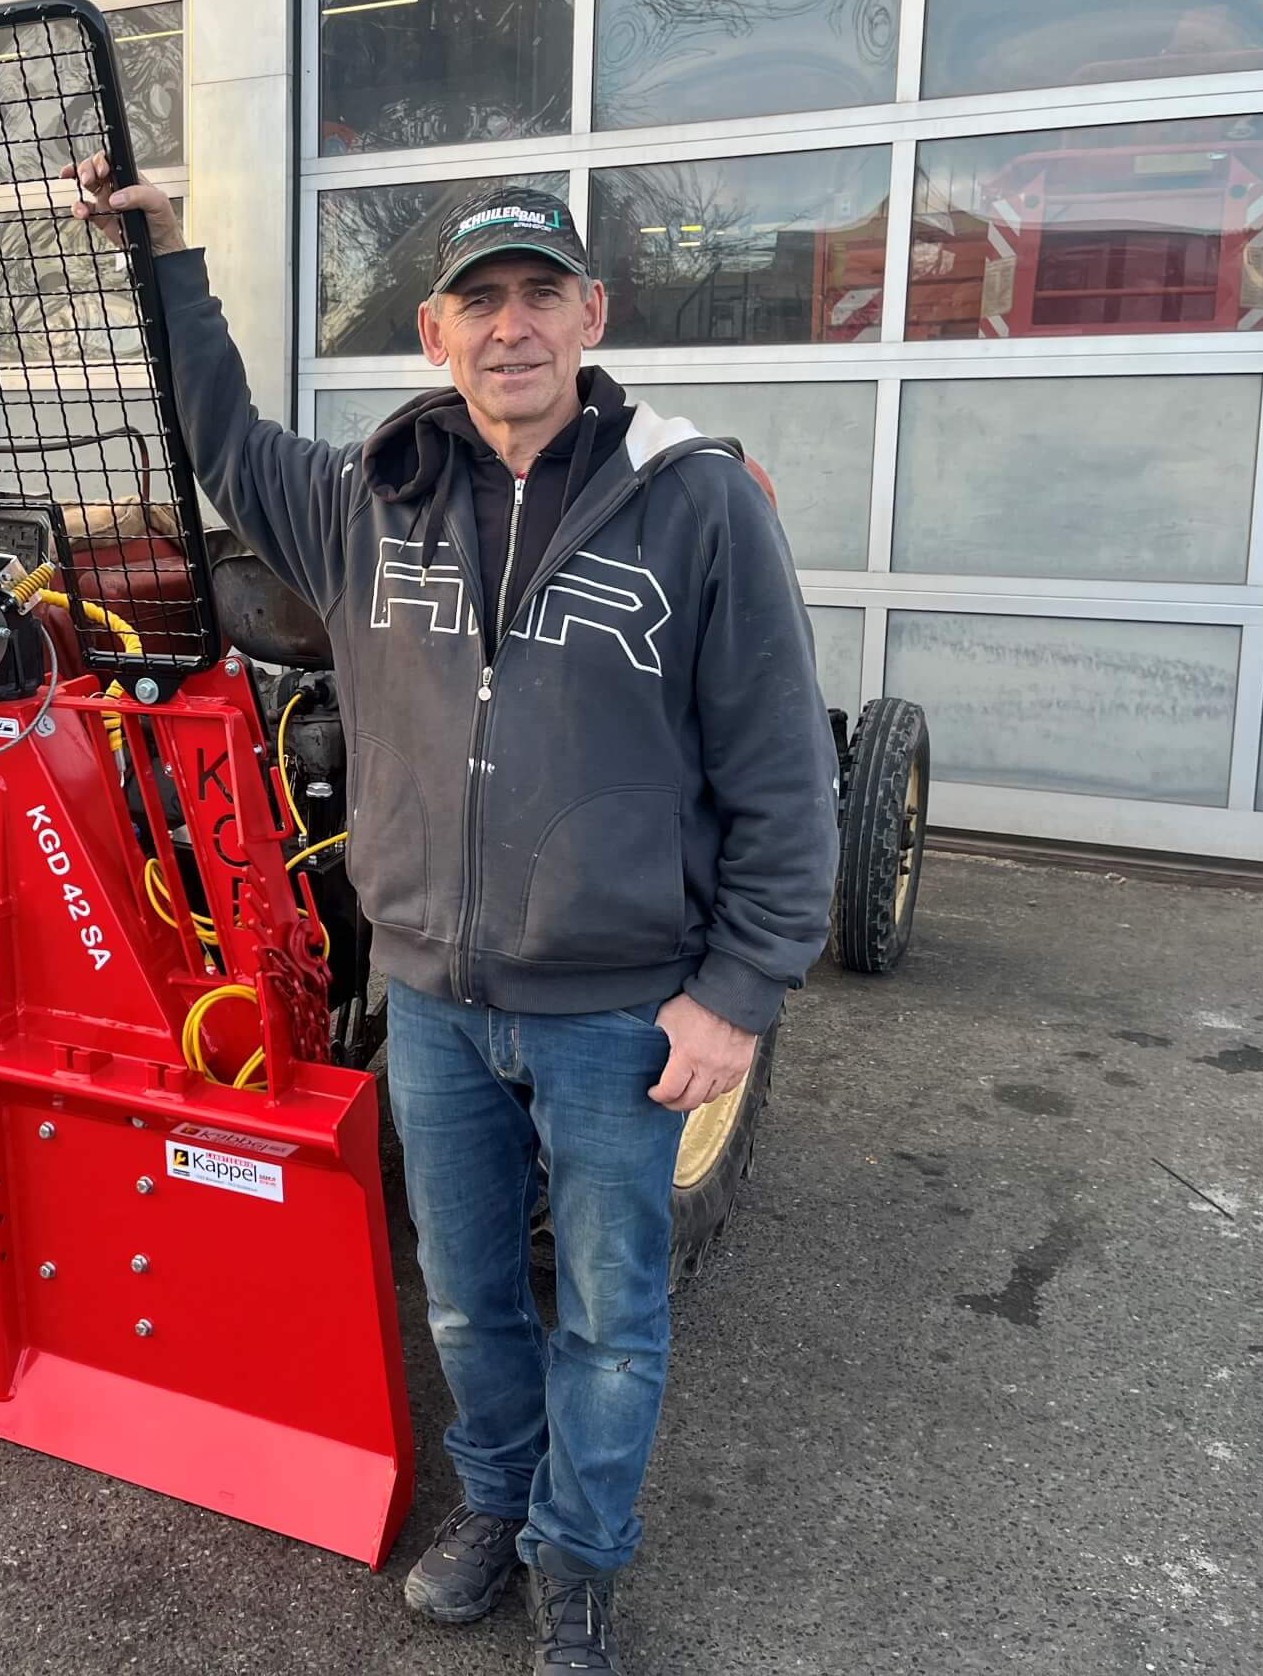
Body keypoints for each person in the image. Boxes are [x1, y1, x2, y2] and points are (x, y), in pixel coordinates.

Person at [65, 158, 839, 1675]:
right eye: (479, 302)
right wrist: (168, 261)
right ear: (435, 332)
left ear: (591, 314)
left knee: (612, 1320)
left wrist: (740, 990)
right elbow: (221, 436)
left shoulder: (694, 509)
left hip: (620, 1010)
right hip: (431, 1001)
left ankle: (579, 1563)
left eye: (541, 295)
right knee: (471, 1302)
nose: (512, 328)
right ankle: (494, 1507)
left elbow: (784, 773)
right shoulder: (370, 504)